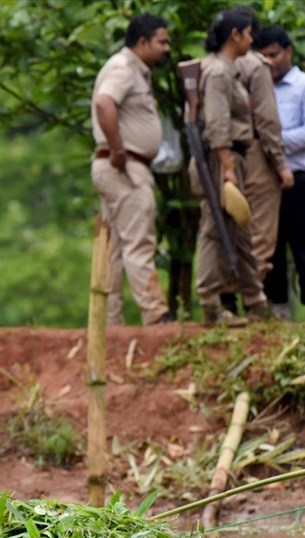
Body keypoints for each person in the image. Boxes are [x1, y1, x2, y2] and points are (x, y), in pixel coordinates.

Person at [90, 14, 173, 326]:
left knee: (114, 246)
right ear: (142, 42)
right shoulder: (123, 68)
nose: (167, 48)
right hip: (124, 167)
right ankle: (155, 313)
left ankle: (109, 322)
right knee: (139, 240)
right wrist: (119, 150)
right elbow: (104, 103)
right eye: (162, 41)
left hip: (118, 166)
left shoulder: (136, 71)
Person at [193, 9, 271, 326]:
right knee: (215, 228)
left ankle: (256, 300)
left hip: (233, 156)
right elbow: (217, 124)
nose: (252, 40)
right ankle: (210, 302)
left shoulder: (226, 70)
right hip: (220, 157)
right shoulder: (217, 73)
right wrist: (226, 167)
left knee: (240, 229)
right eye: (249, 33)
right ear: (235, 35)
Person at [219, 7, 293, 315]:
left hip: (222, 157)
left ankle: (223, 298)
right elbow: (266, 119)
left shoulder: (210, 67)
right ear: (239, 34)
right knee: (260, 232)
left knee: (225, 229)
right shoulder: (254, 66)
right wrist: (280, 164)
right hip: (255, 154)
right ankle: (254, 300)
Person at [256, 25, 305, 318]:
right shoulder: (258, 88)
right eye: (263, 56)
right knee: (271, 250)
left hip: (300, 181)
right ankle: (278, 315)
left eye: (273, 55)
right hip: (268, 182)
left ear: (288, 51)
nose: (269, 62)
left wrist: (272, 143)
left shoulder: (304, 86)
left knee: (304, 248)